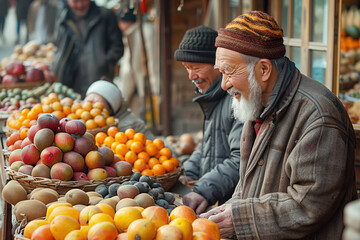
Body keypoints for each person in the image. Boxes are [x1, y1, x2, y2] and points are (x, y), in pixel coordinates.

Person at [200, 11, 358, 239]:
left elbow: (309, 205)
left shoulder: (319, 116)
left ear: (263, 70)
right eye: (221, 72)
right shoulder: (259, 103)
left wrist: (240, 218)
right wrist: (230, 208)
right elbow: (250, 186)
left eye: (229, 71)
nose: (224, 85)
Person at [174, 26, 242, 214]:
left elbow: (240, 160)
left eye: (196, 67)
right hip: (218, 199)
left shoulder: (236, 101)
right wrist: (187, 172)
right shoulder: (214, 98)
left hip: (232, 206)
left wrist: (204, 189)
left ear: (218, 65)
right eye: (187, 68)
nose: (191, 76)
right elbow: (208, 146)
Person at [53, 0, 124, 98]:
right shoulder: (63, 18)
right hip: (72, 83)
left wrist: (104, 63)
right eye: (75, 2)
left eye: (83, 1)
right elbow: (58, 46)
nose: (80, 5)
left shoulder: (105, 15)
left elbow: (117, 46)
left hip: (99, 80)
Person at [114, 6, 159, 118]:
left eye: (122, 22)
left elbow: (153, 60)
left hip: (142, 80)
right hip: (131, 79)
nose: (121, 26)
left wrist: (155, 86)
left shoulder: (146, 32)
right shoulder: (129, 34)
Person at [84, 80, 154, 140]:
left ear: (110, 109)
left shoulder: (126, 125)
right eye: (88, 101)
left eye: (95, 102)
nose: (91, 106)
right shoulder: (84, 115)